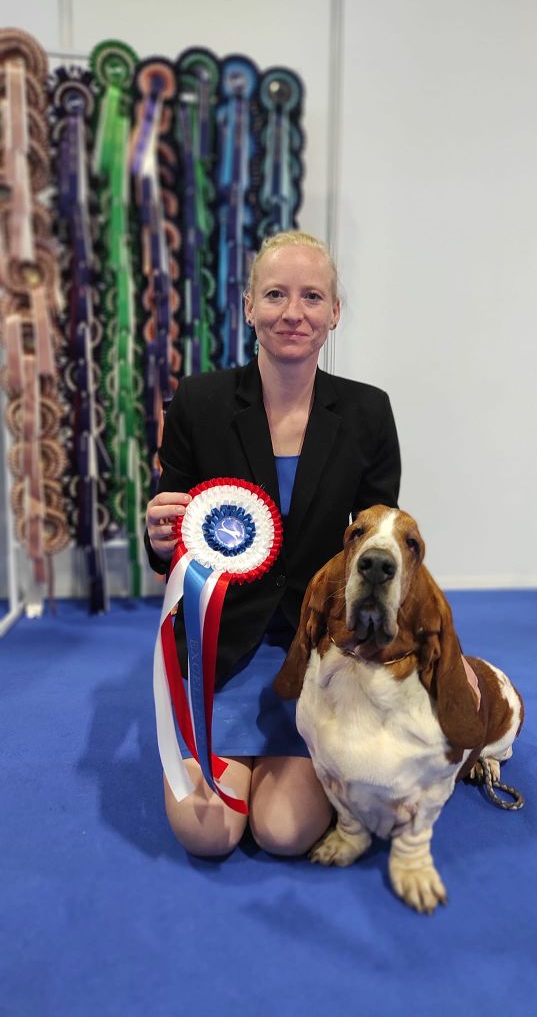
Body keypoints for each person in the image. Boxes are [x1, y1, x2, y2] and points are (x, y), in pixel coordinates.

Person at [145, 230, 401, 858]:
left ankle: (281, 760)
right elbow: (169, 547)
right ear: (248, 307)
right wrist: (158, 535)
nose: (293, 313)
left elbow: (379, 549)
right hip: (220, 646)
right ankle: (234, 746)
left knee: (283, 833)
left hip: (317, 655)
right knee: (206, 835)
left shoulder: (369, 412)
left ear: (334, 312)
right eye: (275, 295)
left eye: (312, 296)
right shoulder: (198, 403)